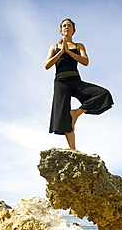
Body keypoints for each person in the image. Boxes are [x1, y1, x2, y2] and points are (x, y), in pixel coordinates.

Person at [44, 18, 114, 150]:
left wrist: (68, 51)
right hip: (61, 83)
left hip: (76, 81)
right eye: (64, 26)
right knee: (64, 117)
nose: (66, 28)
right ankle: (73, 150)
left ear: (73, 30)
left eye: (69, 26)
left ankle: (76, 113)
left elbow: (85, 61)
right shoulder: (54, 47)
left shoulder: (78, 46)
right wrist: (61, 52)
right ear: (61, 30)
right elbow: (47, 65)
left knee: (103, 94)